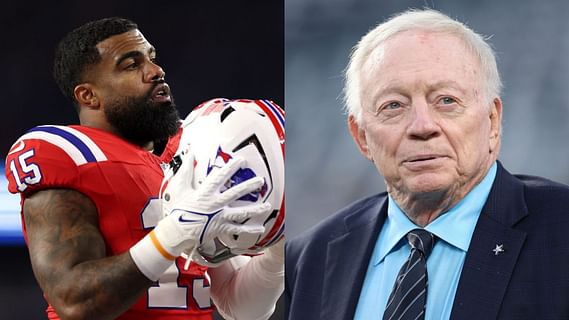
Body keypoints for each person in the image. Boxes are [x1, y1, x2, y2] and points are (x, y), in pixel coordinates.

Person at [286, 9, 569, 320]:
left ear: (493, 121)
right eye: (393, 105)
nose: (422, 126)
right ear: (361, 136)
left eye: (446, 100)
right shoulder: (306, 260)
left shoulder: (560, 230)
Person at [4, 17, 283, 320]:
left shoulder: (183, 157)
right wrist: (175, 232)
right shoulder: (67, 152)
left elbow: (238, 305)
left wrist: (278, 252)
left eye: (151, 58)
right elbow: (74, 302)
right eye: (131, 64)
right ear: (88, 95)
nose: (156, 71)